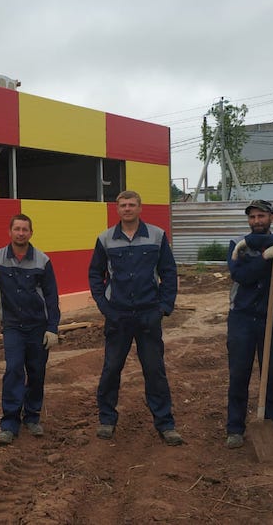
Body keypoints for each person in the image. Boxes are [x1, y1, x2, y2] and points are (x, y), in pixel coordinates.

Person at [88, 190, 183, 446]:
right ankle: (107, 419)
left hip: (148, 314)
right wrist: (104, 307)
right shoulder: (105, 239)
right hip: (117, 315)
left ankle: (165, 424)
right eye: (123, 205)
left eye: (132, 205)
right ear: (117, 209)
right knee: (111, 369)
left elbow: (168, 272)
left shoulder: (157, 235)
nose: (127, 209)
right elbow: (95, 274)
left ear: (140, 208)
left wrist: (164, 307)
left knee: (154, 370)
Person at [0, 214, 60, 446]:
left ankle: (32, 417)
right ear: (10, 232)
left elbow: (51, 297)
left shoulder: (42, 260)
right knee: (14, 369)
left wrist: (52, 328)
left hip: (38, 327)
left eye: (25, 229)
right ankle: (9, 424)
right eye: (17, 229)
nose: (21, 233)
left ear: (31, 233)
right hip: (13, 327)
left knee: (36, 372)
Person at [225, 199, 273, 451]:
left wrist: (263, 247)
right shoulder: (236, 244)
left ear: (271, 218)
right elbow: (241, 276)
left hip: (272, 318)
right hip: (242, 318)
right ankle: (235, 429)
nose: (256, 221)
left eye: (261, 216)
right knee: (238, 374)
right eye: (252, 217)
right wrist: (265, 257)